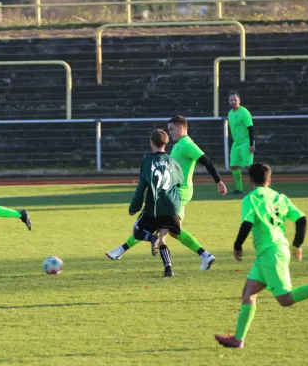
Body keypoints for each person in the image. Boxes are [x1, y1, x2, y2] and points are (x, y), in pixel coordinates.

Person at [215, 162, 308, 348]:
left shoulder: (251, 198)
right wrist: (297, 245)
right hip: (271, 253)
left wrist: (237, 246)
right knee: (248, 293)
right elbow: (302, 219)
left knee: (285, 299)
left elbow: (246, 224)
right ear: (269, 180)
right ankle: (238, 338)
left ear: (250, 180)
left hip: (271, 254)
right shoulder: (280, 198)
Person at [107, 116, 226, 270]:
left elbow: (206, 161)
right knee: (172, 231)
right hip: (173, 192)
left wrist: (218, 181)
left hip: (179, 193)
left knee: (159, 226)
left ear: (181, 128)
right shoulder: (178, 145)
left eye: (172, 129)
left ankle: (122, 250)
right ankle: (203, 256)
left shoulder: (188, 145)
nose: (170, 133)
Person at [125, 129, 184, 277]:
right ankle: (168, 268)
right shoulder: (173, 161)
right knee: (162, 235)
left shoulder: (147, 161)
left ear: (151, 143)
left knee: (137, 231)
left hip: (155, 208)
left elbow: (141, 188)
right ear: (166, 142)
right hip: (172, 209)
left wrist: (134, 207)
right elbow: (180, 182)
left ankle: (152, 239)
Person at [228, 91, 255, 194]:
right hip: (236, 143)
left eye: (235, 99)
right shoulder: (230, 114)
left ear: (239, 100)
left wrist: (251, 144)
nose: (233, 101)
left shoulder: (244, 112)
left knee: (249, 167)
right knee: (234, 166)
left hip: (246, 142)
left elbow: (251, 128)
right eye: (231, 100)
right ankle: (239, 189)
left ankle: (256, 189)